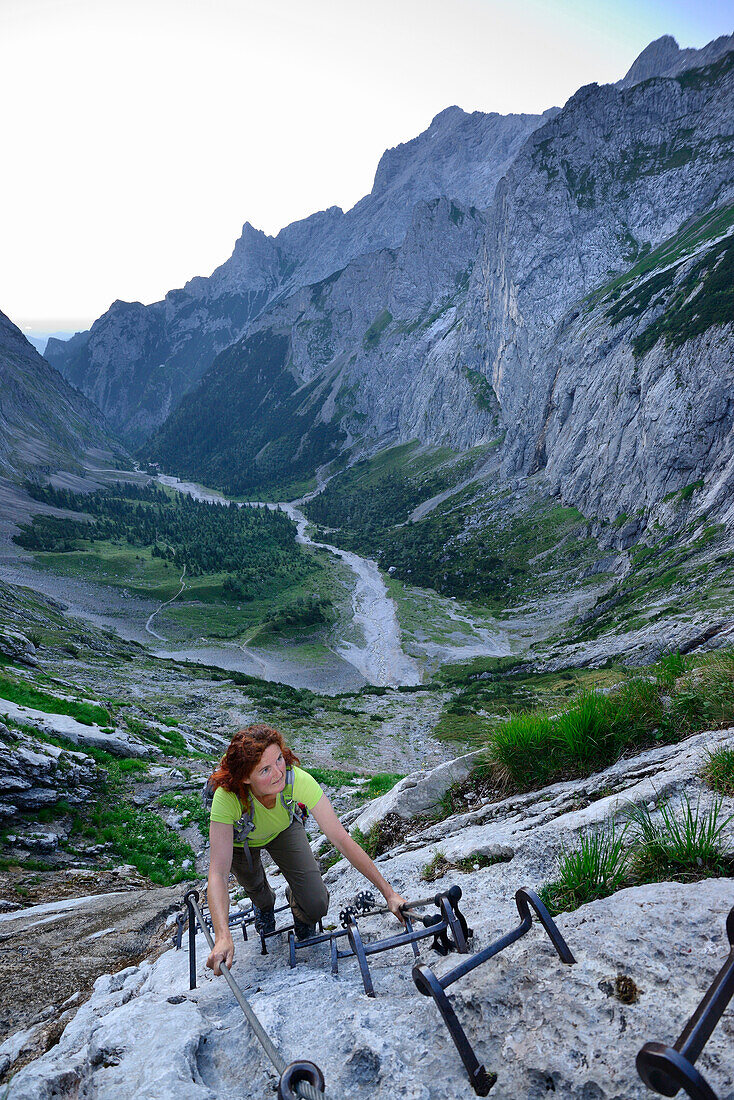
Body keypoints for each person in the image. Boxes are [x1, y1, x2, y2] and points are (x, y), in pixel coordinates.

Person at [205, 724, 407, 975]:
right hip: (241, 842)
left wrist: (389, 893)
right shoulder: (228, 797)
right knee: (258, 891)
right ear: (245, 777)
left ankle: (298, 901)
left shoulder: (296, 780)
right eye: (265, 770)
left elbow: (341, 839)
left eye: (278, 759)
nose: (278, 772)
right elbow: (218, 872)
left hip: (283, 828)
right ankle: (264, 906)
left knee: (316, 904)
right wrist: (223, 936)